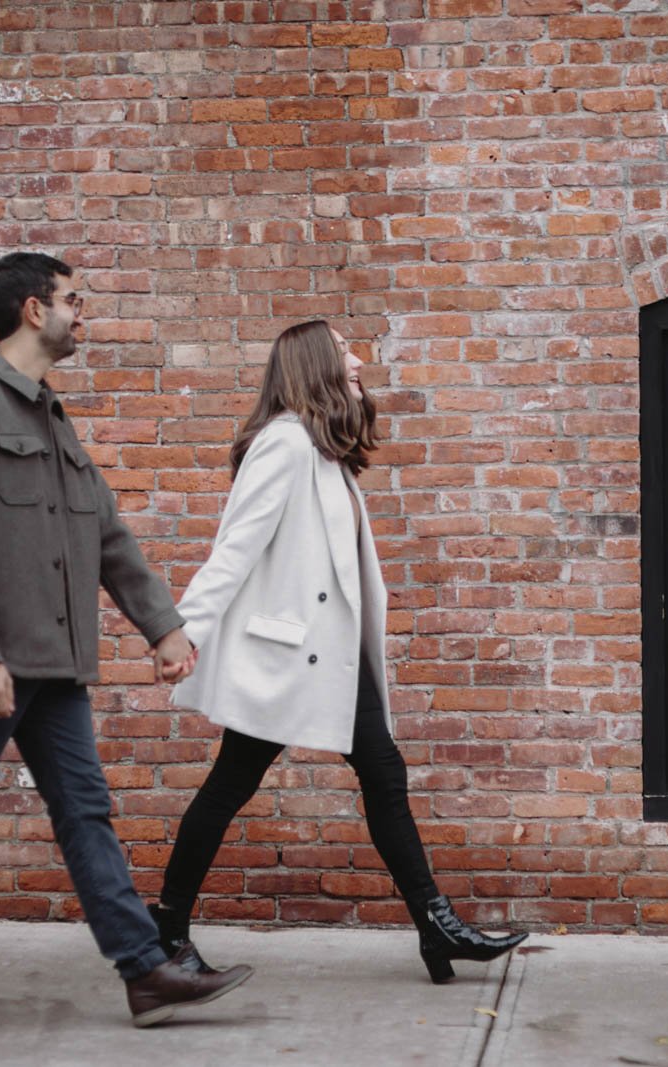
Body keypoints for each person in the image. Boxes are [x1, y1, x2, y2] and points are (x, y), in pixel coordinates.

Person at [0, 252, 252, 1032]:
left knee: (86, 813)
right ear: (35, 310)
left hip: (56, 665)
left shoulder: (50, 415)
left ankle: (144, 971)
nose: (86, 312)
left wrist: (163, 626)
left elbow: (106, 533)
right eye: (75, 298)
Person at [155, 320, 529, 983]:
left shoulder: (321, 449)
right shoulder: (285, 445)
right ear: (312, 366)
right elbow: (233, 551)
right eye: (343, 350)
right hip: (290, 661)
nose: (357, 359)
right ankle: (166, 931)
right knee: (232, 786)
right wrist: (184, 631)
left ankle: (435, 927)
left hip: (328, 660)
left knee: (381, 773)